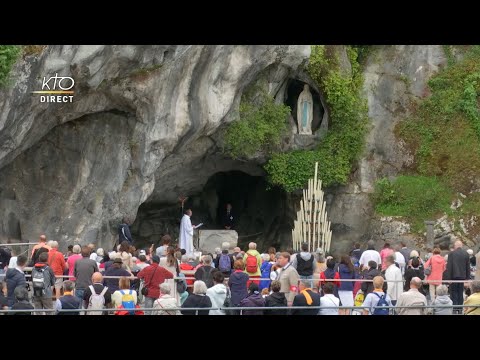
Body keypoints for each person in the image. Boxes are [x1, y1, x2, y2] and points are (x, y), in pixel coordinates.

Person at [445, 240, 470, 313]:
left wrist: (448, 278)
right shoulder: (466, 254)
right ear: (461, 246)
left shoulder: (451, 254)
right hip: (462, 277)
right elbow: (468, 266)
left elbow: (449, 267)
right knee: (460, 293)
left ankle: (454, 309)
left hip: (453, 277)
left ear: (455, 246)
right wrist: (467, 278)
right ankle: (460, 309)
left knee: (453, 293)